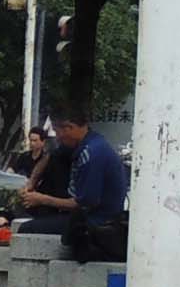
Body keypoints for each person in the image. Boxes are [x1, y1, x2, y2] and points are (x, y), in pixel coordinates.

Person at [18, 104, 129, 263]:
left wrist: (41, 199)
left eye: (57, 132)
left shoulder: (91, 154)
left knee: (27, 229)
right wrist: (31, 183)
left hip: (96, 222)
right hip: (85, 215)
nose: (57, 137)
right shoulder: (88, 141)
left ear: (68, 128)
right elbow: (50, 157)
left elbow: (84, 204)